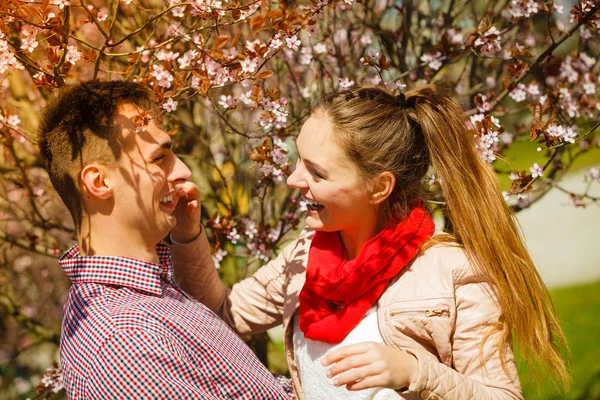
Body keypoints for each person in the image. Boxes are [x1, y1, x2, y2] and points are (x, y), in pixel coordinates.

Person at [170, 85, 570, 399]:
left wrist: (414, 372)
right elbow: (220, 314)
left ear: (379, 187)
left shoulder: (451, 272)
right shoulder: (303, 256)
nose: (292, 180)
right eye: (297, 161)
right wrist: (187, 234)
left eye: (316, 172)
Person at [38, 80, 295, 399]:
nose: (184, 172)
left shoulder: (152, 293)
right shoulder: (126, 342)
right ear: (100, 182)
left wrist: (187, 237)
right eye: (160, 159)